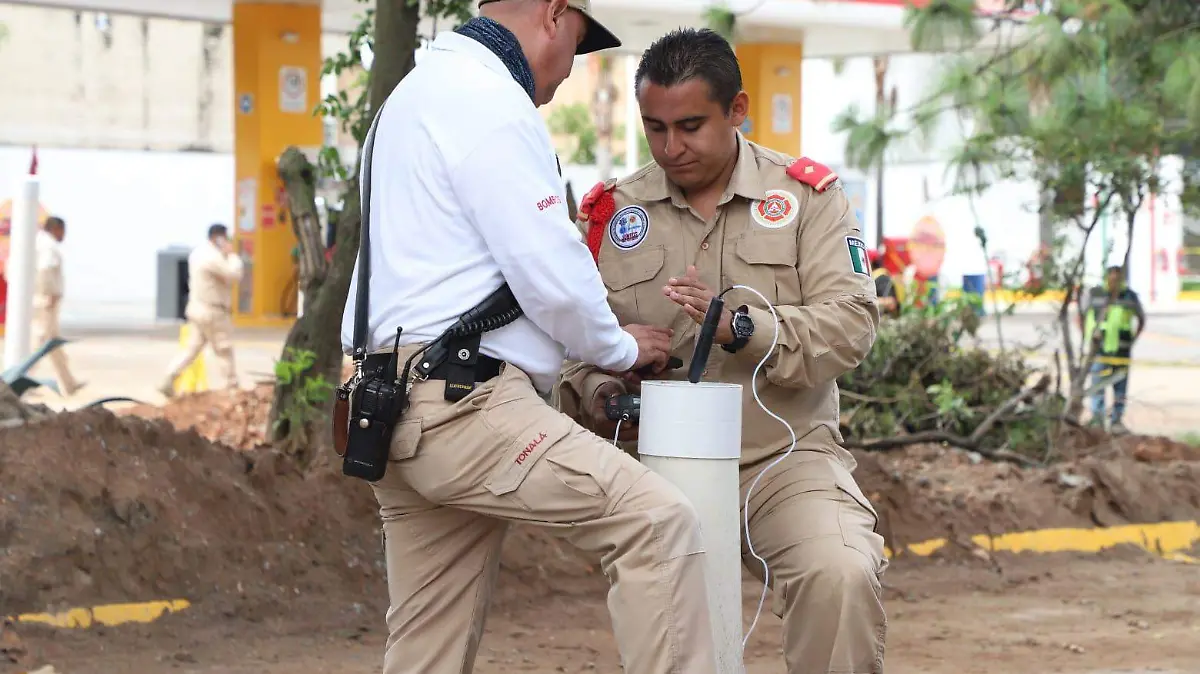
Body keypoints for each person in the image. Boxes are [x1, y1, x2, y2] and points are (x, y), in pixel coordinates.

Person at [339, 2, 717, 673]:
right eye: (576, 45)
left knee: (428, 645)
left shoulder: (411, 97)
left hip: (389, 407)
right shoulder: (490, 101)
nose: (569, 71)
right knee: (658, 525)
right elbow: (553, 272)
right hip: (467, 407)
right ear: (552, 14)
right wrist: (620, 349)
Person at [557, 28, 888, 674]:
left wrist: (744, 328)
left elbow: (851, 324)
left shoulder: (805, 202)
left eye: (690, 125)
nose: (671, 148)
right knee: (671, 632)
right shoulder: (610, 215)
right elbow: (566, 351)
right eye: (655, 128)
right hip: (658, 473)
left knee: (841, 573)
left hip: (783, 460)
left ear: (736, 110)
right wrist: (605, 383)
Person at [159, 224, 243, 397]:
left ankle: (169, 378)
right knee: (223, 349)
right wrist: (232, 255)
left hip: (197, 309)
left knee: (191, 348)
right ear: (219, 238)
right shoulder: (213, 257)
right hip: (213, 311)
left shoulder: (198, 253)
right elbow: (233, 275)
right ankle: (232, 387)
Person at [1079, 265, 1145, 434]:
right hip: (1099, 352)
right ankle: (1098, 420)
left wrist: (1132, 340)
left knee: (1120, 388)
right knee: (1097, 387)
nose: (1114, 281)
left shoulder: (1129, 296)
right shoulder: (1095, 294)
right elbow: (1081, 316)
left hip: (1121, 352)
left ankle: (1116, 420)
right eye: (1112, 277)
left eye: (1118, 278)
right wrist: (1088, 337)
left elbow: (1141, 319)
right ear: (1106, 278)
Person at [33, 215, 84, 395]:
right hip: (46, 300)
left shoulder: (37, 243)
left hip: (40, 298)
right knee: (42, 342)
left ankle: (68, 383)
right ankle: (24, 377)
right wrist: (50, 293)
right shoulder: (48, 246)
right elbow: (45, 270)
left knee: (52, 343)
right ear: (56, 229)